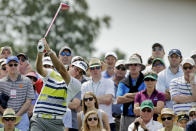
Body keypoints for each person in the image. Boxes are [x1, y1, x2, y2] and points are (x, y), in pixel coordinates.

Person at [30, 38, 77, 131]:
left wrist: (48, 49)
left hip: (56, 122)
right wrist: (40, 53)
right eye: (63, 54)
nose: (65, 56)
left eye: (68, 54)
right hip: (39, 119)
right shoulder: (51, 73)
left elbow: (62, 70)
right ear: (59, 57)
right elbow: (39, 69)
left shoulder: (74, 83)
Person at [0, 56, 35, 131]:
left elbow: (28, 101)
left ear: (19, 66)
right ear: (6, 67)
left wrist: (17, 116)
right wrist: (7, 115)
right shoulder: (1, 83)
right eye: (10, 65)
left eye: (15, 64)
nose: (13, 67)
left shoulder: (27, 81)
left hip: (22, 117)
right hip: (5, 118)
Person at [81, 57, 115, 131]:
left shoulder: (109, 82)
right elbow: (84, 102)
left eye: (97, 67)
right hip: (90, 122)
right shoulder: (84, 85)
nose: (95, 70)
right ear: (89, 70)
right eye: (92, 68)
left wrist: (90, 99)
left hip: (107, 121)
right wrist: (102, 98)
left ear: (101, 69)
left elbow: (108, 100)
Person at [116, 54, 146, 131]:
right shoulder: (122, 82)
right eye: (131, 64)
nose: (133, 66)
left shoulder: (146, 81)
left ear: (140, 67)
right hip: (125, 117)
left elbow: (146, 97)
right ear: (128, 67)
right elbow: (119, 100)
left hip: (142, 117)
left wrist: (127, 95)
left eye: (135, 64)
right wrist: (138, 96)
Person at [112, 60, 126, 131]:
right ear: (114, 69)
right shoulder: (107, 83)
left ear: (126, 71)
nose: (120, 70)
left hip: (124, 120)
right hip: (109, 120)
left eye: (123, 68)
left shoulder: (129, 85)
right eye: (118, 67)